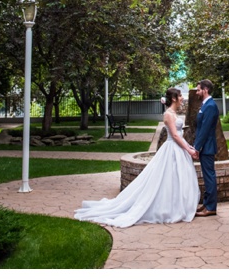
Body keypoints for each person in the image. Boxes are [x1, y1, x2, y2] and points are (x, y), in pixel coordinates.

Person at [74, 88, 199, 228]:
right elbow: (175, 136)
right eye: (181, 95)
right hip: (172, 149)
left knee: (176, 179)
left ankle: (176, 205)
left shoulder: (174, 113)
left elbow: (180, 134)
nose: (182, 98)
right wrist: (188, 149)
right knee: (167, 179)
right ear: (175, 98)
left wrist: (189, 147)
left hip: (178, 149)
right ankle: (167, 209)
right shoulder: (168, 114)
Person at [191, 79, 219, 217]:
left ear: (205, 90)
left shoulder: (210, 106)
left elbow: (205, 129)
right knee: (208, 176)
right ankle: (206, 205)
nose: (197, 92)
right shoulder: (205, 105)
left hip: (207, 147)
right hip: (205, 147)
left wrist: (197, 147)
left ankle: (211, 207)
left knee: (209, 177)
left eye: (198, 90)